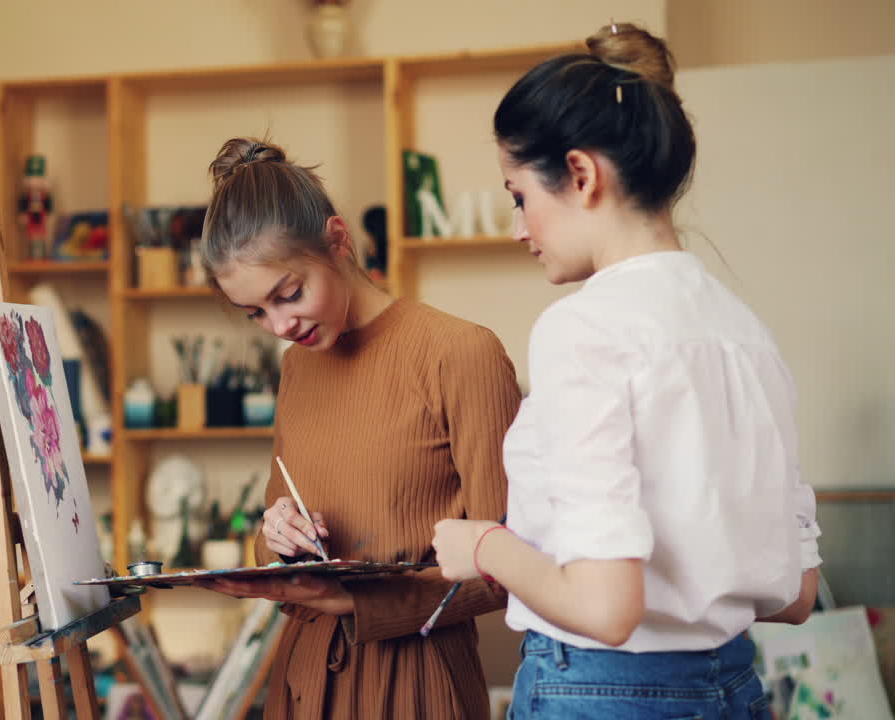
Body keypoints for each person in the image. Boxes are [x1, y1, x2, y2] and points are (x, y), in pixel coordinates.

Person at [431, 23, 822, 719]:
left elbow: (606, 609)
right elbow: (797, 593)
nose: (519, 229)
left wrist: (483, 544)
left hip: (599, 691)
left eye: (519, 196)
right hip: (732, 687)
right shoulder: (746, 334)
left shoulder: (584, 330)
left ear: (581, 175)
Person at [194, 137, 521, 718]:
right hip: (299, 682)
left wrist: (354, 603)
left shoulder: (461, 352)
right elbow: (271, 530)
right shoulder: (298, 365)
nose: (279, 326)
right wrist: (277, 535)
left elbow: (511, 564)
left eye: (289, 294)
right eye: (256, 313)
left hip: (417, 683)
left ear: (338, 240)